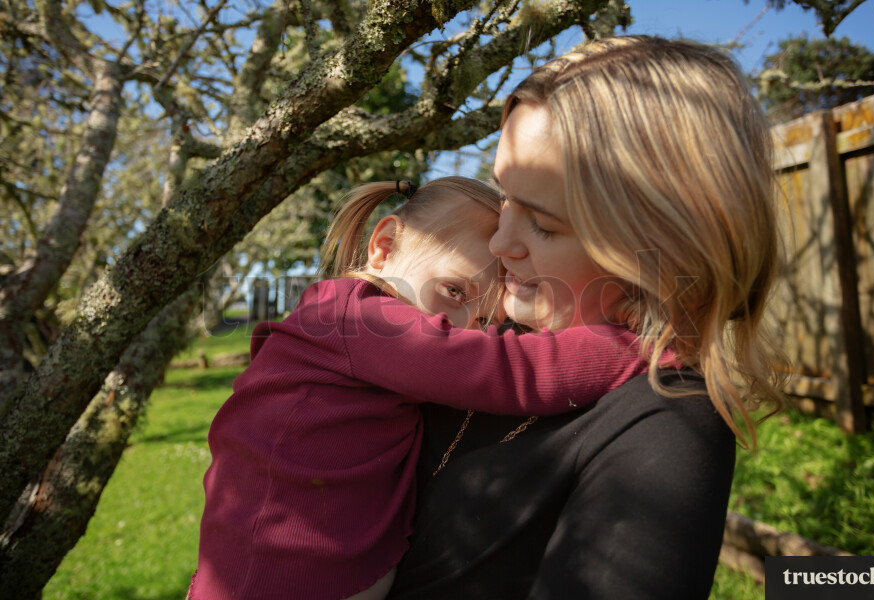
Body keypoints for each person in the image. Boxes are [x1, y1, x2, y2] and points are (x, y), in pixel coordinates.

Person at [387, 36, 784, 599]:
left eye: (545, 225)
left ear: (662, 249)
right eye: (504, 197)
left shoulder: (664, 426)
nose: (500, 242)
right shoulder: (479, 338)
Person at [190, 177, 667, 600]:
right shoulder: (357, 321)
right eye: (455, 292)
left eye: (483, 320)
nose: (464, 328)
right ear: (384, 246)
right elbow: (507, 370)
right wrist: (639, 343)